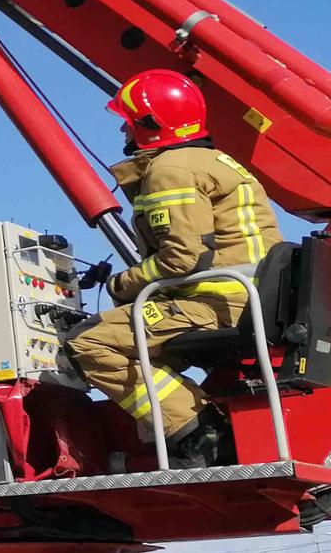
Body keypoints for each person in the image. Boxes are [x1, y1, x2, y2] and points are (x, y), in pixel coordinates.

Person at [63, 69, 284, 469]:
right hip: (240, 300)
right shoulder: (216, 162)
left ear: (150, 125)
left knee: (88, 342)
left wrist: (121, 285)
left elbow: (183, 258)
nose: (124, 130)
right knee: (132, 338)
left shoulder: (171, 171)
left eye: (128, 122)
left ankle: (201, 433)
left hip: (214, 304)